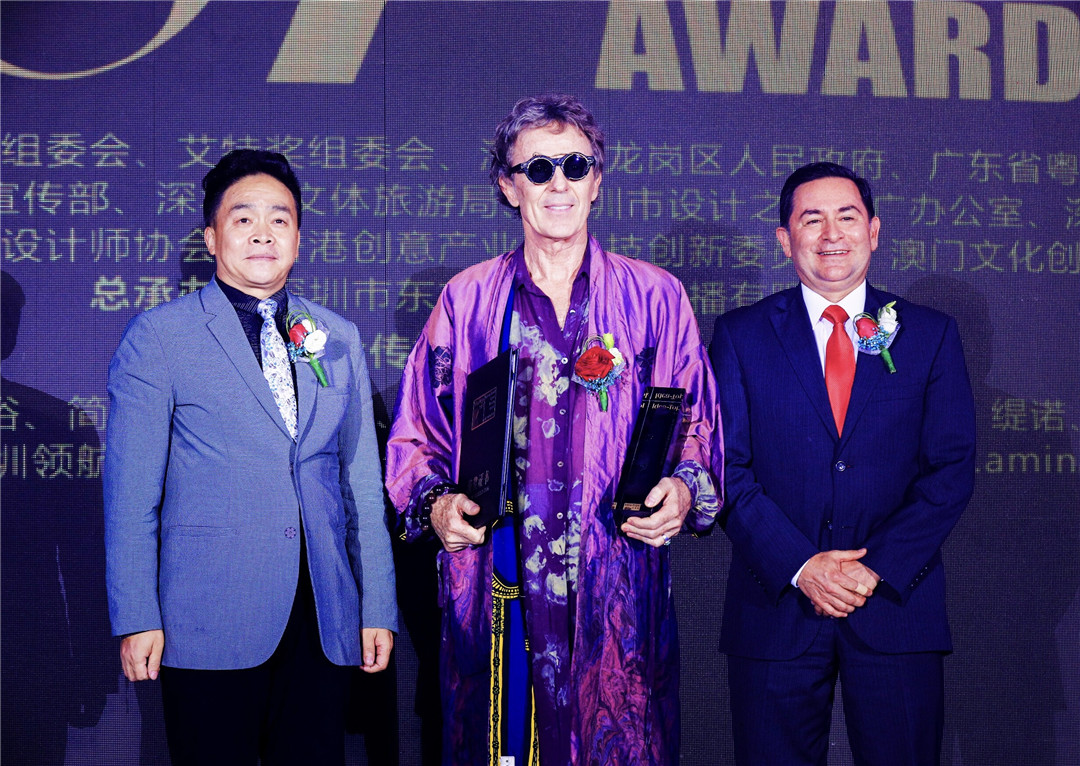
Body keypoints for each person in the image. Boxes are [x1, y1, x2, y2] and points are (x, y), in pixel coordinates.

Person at [385, 93, 722, 766]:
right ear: (509, 187)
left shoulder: (655, 297)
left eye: (576, 165)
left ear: (598, 180)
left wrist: (685, 489)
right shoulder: (468, 301)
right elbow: (416, 435)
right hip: (503, 584)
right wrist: (437, 504)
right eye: (538, 169)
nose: (558, 183)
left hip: (615, 585)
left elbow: (696, 423)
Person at [104, 149, 398, 766]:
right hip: (207, 621)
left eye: (280, 219)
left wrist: (377, 607)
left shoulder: (337, 337)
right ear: (211, 238)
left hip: (323, 618)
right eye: (243, 219)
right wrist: (135, 615)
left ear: (298, 238)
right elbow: (131, 499)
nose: (263, 233)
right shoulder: (159, 337)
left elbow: (362, 490)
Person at [709, 162, 976, 766]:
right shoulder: (740, 335)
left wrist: (871, 570)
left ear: (874, 232)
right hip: (775, 608)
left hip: (895, 607)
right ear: (785, 239)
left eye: (847, 217)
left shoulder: (929, 334)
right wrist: (802, 566)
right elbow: (726, 468)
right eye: (812, 220)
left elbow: (951, 469)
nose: (832, 234)